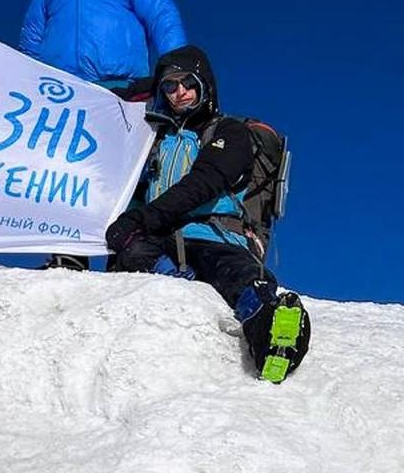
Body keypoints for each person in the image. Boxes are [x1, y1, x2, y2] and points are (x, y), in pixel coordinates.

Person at [106, 45, 311, 384]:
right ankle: (176, 284)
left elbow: (205, 182)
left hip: (214, 236)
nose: (179, 93)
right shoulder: (155, 142)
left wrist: (142, 219)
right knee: (130, 247)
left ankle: (268, 322)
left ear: (205, 84)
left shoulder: (228, 133)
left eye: (187, 82)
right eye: (169, 86)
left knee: (233, 271)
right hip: (162, 240)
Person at [19, 0, 187, 270]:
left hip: (124, 89)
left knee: (127, 171)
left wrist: (175, 68)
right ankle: (68, 252)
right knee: (66, 172)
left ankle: (131, 252)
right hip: (67, 95)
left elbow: (162, 16)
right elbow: (30, 43)